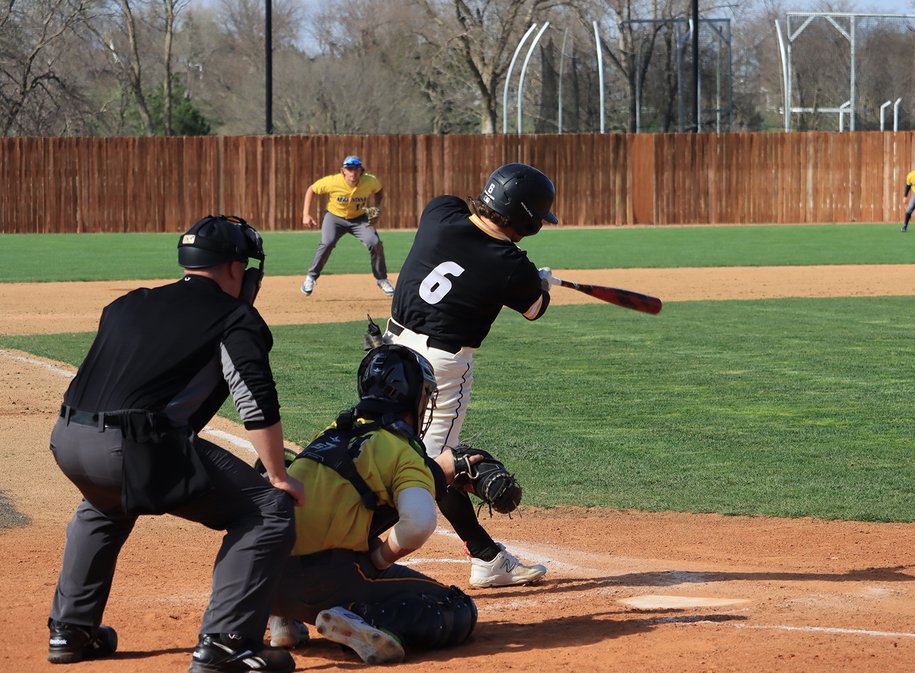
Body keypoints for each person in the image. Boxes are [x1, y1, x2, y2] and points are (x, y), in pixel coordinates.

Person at [46, 215, 305, 673]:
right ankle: (226, 646)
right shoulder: (235, 317)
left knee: (105, 504)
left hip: (68, 439)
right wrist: (279, 477)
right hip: (133, 448)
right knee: (267, 509)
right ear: (232, 268)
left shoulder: (129, 303)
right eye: (245, 268)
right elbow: (254, 397)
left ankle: (71, 630)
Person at [384, 162, 557, 588]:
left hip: (388, 354)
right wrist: (541, 283)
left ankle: (485, 554)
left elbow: (466, 240)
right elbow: (535, 308)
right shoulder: (511, 264)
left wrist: (525, 274)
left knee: (386, 448)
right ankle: (486, 558)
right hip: (440, 368)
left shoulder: (439, 212)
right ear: (526, 220)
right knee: (435, 464)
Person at [266, 345, 478, 665]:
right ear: (412, 396)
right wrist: (379, 559)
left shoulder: (330, 433)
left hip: (264, 579)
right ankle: (359, 616)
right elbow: (418, 523)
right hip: (325, 582)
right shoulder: (399, 449)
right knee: (456, 607)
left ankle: (282, 619)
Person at [301, 155, 393, 296]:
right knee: (327, 242)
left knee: (374, 242)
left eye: (356, 169)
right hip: (335, 217)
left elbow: (379, 190)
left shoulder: (370, 181)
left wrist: (377, 206)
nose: (353, 172)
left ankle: (382, 279)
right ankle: (311, 277)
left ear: (361, 170)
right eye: (349, 169)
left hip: (359, 218)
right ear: (343, 170)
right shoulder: (332, 181)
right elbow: (312, 189)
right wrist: (306, 214)